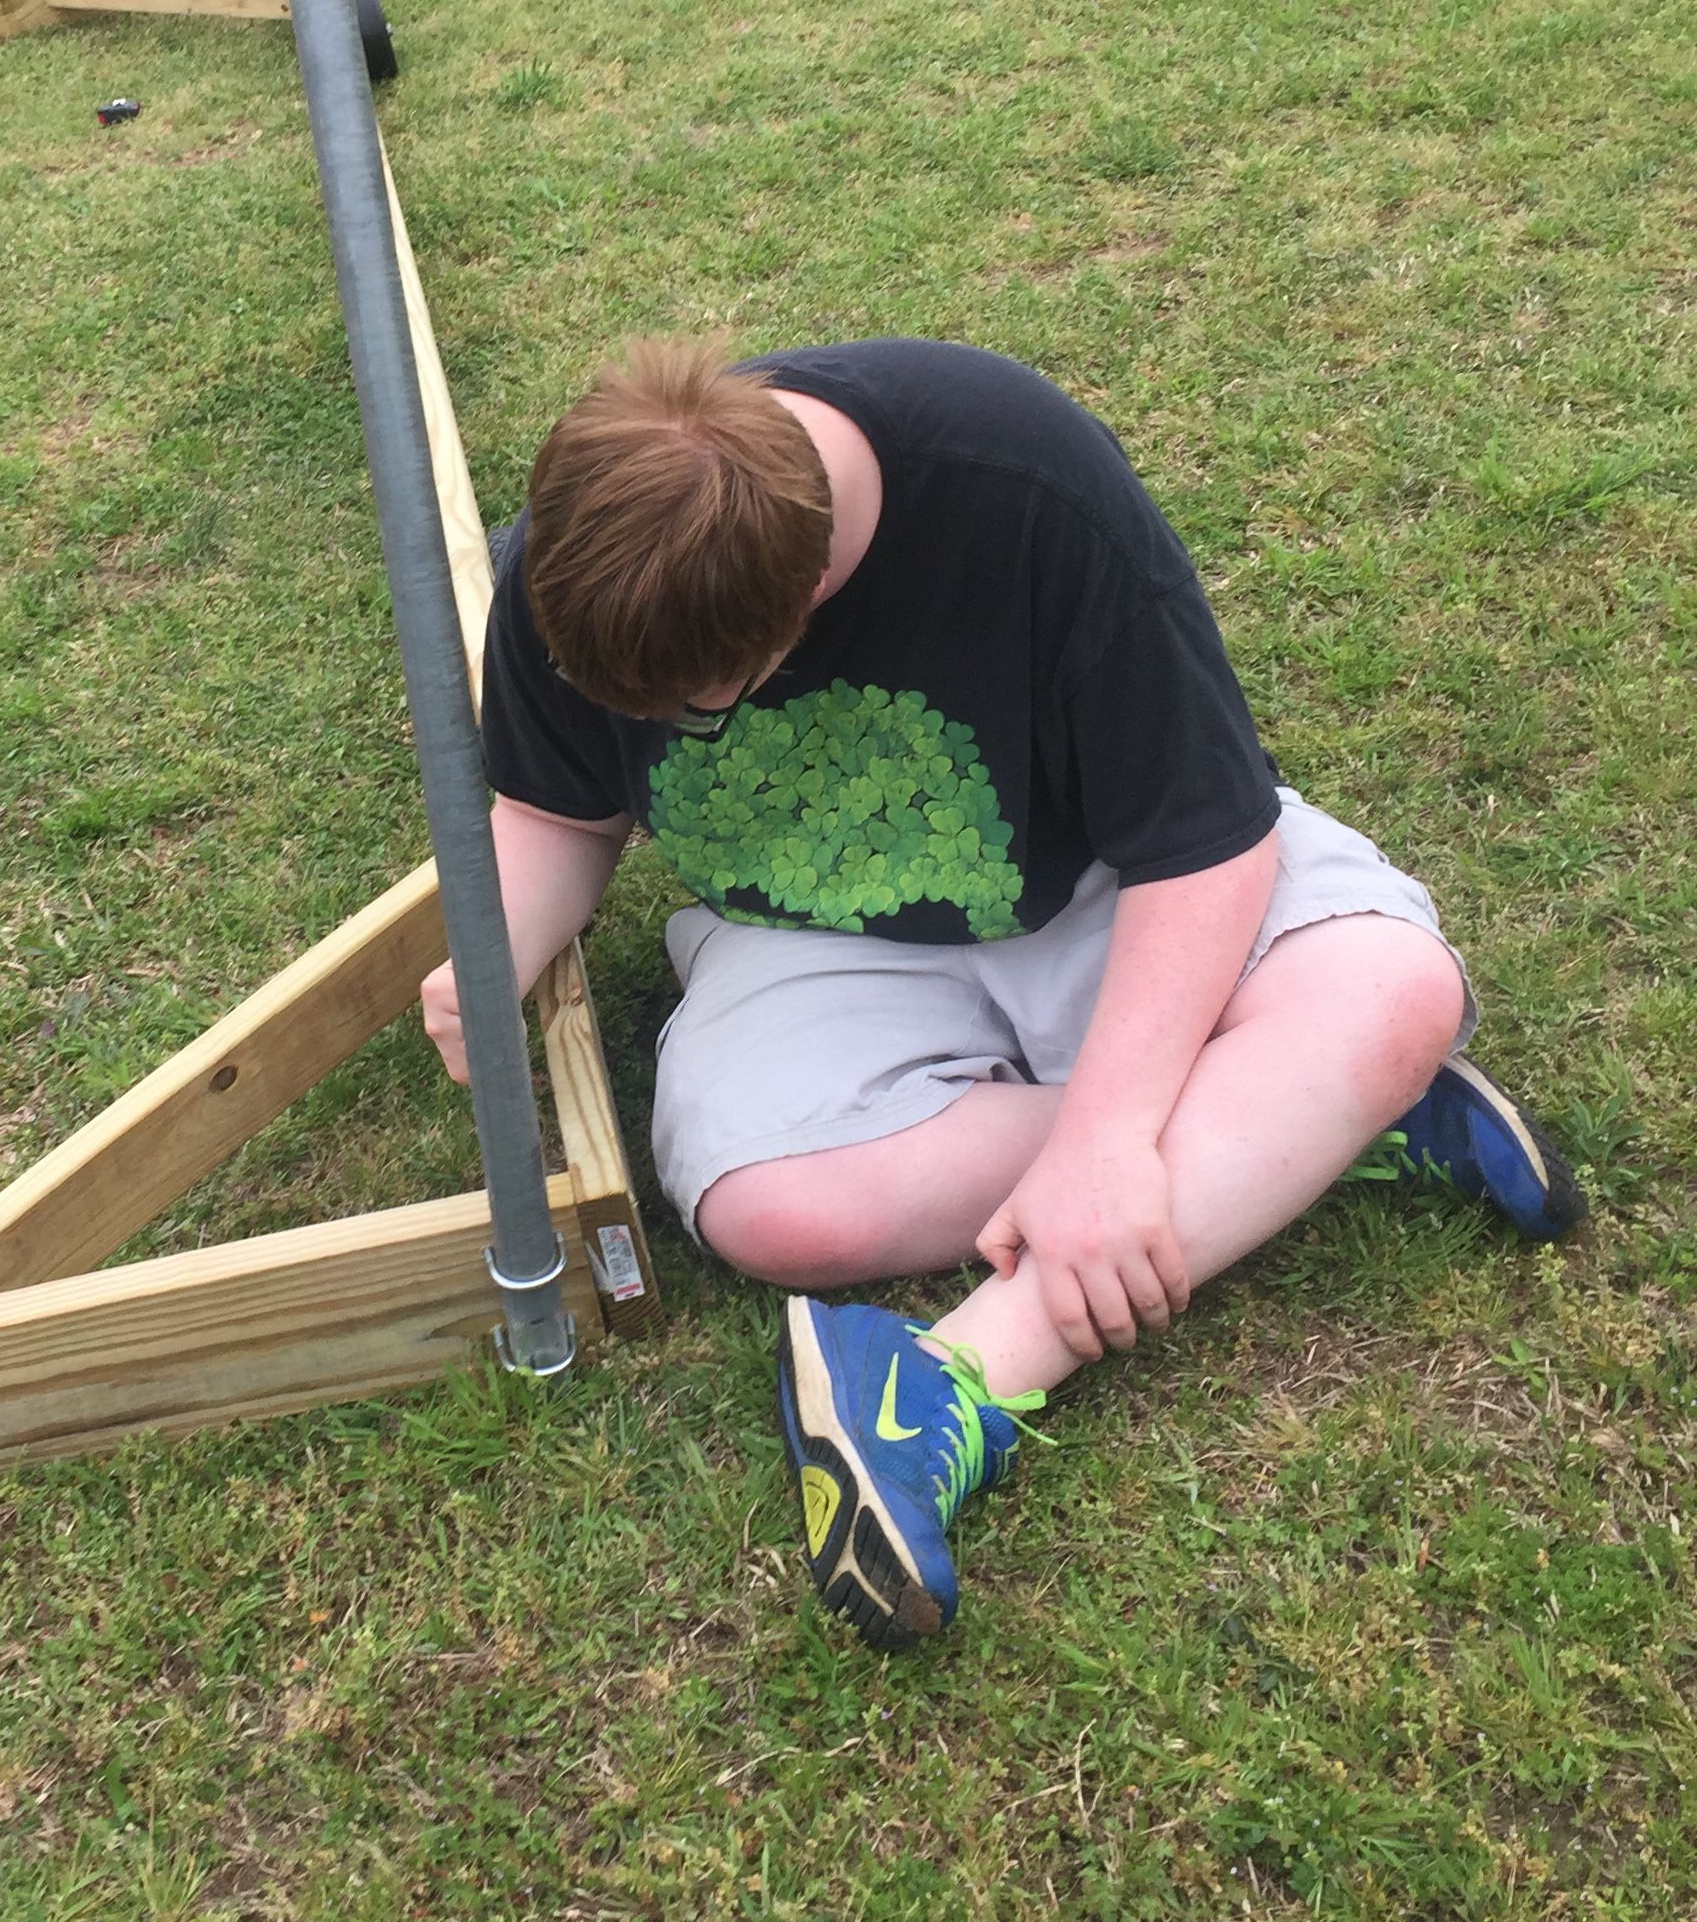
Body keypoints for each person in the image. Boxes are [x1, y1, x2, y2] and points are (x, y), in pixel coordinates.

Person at [419, 336, 1584, 1649]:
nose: (675, 727)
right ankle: (1303, 1124)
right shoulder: (574, 569)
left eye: (702, 708)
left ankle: (946, 1382)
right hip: (805, 937)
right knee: (768, 1209)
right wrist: (497, 944)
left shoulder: (1029, 486)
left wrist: (1107, 1143)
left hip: (1100, 887)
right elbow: (562, 814)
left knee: (1388, 991)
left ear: (810, 595)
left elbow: (1207, 843)